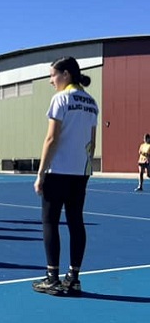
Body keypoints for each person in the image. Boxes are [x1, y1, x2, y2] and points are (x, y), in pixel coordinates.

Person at [32, 56, 98, 296]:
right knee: (76, 221)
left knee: (50, 221)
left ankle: (53, 277)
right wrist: (86, 168)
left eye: (53, 75)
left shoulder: (60, 99)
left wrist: (40, 173)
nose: (51, 81)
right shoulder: (91, 102)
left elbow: (51, 138)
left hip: (58, 170)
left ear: (66, 74)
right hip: (80, 171)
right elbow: (92, 140)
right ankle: (74, 277)